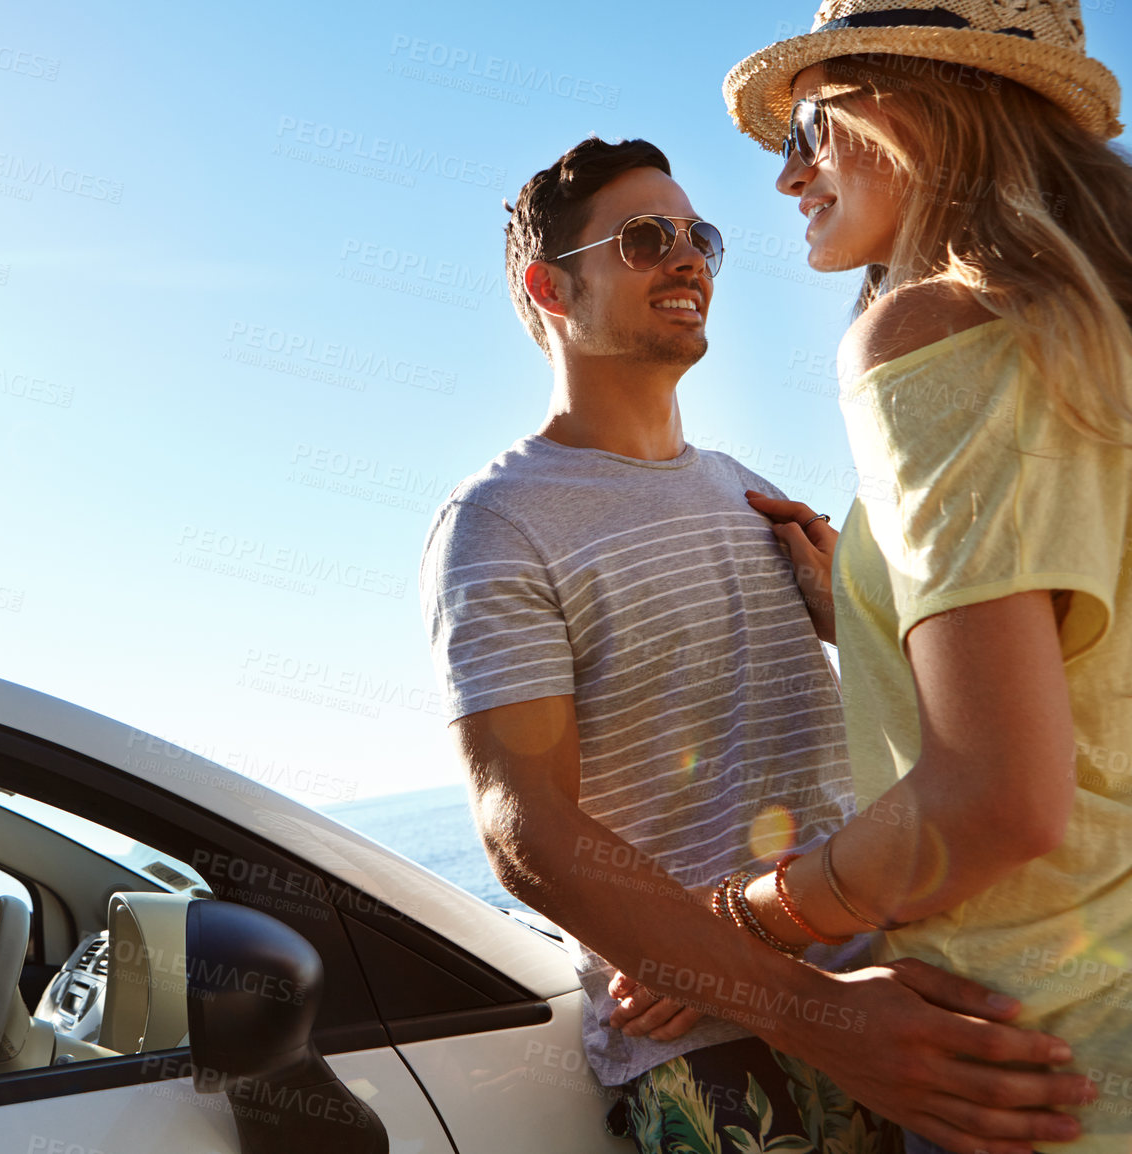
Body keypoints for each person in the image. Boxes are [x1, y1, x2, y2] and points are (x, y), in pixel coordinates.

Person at [419, 135, 1093, 1154]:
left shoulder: (751, 493)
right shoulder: (497, 520)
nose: (687, 258)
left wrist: (854, 621)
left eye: (701, 237)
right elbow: (524, 827)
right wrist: (816, 1015)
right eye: (645, 239)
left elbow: (964, 737)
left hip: (899, 992)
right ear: (548, 286)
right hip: (718, 1052)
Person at [719, 1, 1132, 1151]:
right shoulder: (1106, 339)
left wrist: (750, 925)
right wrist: (870, 614)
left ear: (906, 105)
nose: (787, 178)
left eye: (806, 130)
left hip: (1027, 1067)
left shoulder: (918, 332)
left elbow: (994, 800)